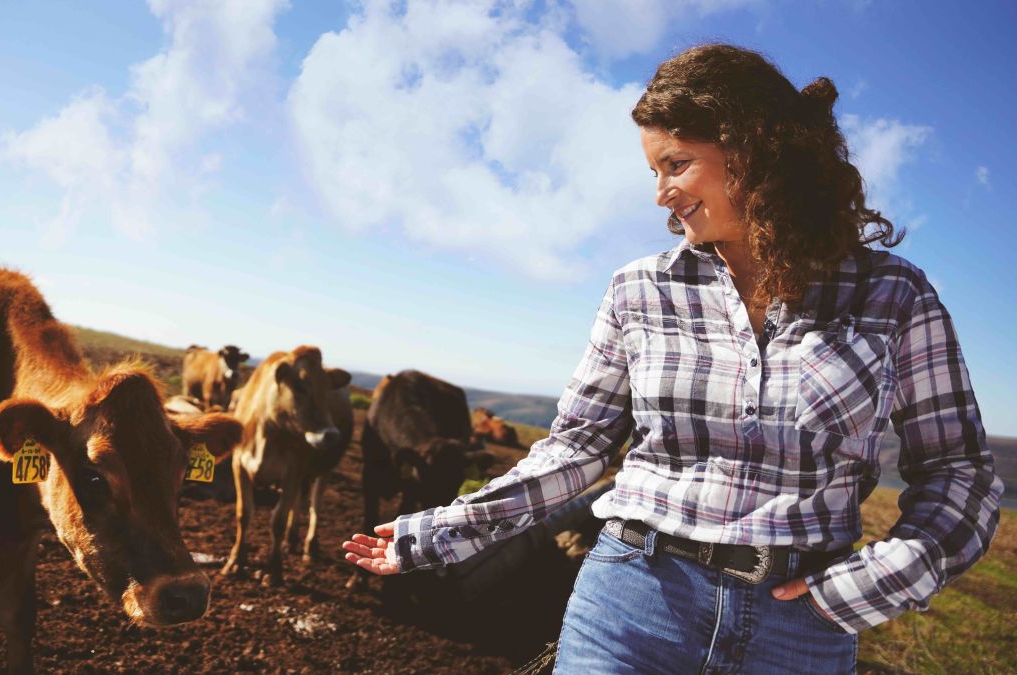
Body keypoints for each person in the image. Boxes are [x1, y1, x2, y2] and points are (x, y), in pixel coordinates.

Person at [342, 43, 1003, 673]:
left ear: (756, 150)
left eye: (677, 164)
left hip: (801, 628)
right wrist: (444, 529)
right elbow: (575, 448)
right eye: (653, 171)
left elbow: (958, 470)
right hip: (631, 600)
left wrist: (872, 583)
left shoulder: (892, 293)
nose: (661, 192)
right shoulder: (637, 289)